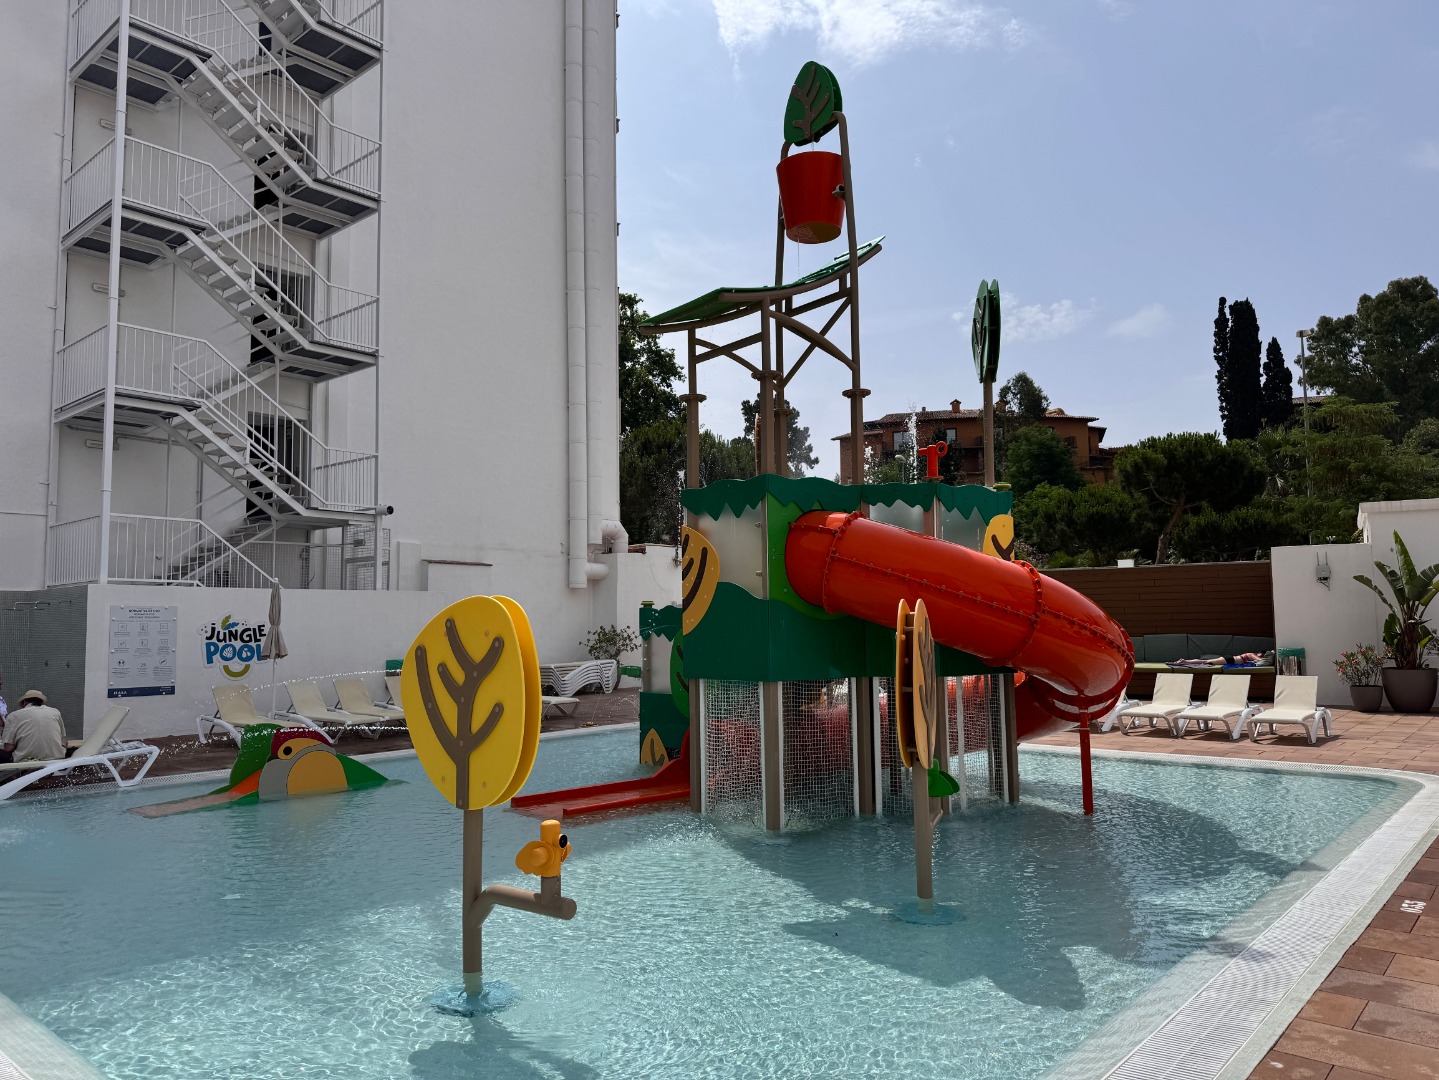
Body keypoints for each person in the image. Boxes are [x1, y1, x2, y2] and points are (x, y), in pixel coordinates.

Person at [0, 690, 66, 765]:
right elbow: (64, 741)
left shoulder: (14, 715)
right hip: (56, 759)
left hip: (25, 761)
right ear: (41, 702)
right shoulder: (55, 712)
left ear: (24, 702)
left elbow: (8, 748)